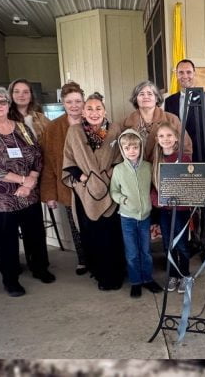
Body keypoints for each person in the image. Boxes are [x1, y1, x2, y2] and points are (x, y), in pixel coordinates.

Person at [0, 86, 55, 297]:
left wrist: (31, 181)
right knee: (5, 241)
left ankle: (39, 268)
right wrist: (23, 180)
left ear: (9, 104)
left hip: (28, 195)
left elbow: (37, 154)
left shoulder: (21, 127)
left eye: (3, 101)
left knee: (35, 234)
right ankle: (10, 279)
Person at [61, 92, 126, 291]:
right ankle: (100, 274)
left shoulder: (114, 129)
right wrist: (86, 180)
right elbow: (69, 161)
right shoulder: (75, 131)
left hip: (110, 189)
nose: (94, 112)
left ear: (104, 111)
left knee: (112, 235)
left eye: (98, 108)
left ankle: (116, 274)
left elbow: (121, 156)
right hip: (85, 191)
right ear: (83, 111)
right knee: (92, 234)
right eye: (89, 108)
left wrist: (107, 176)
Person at [40, 81, 88, 276]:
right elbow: (49, 163)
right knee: (75, 223)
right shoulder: (53, 128)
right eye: (70, 102)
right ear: (63, 103)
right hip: (68, 184)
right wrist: (49, 193)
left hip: (92, 184)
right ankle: (83, 259)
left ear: (83, 102)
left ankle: (99, 257)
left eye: (78, 101)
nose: (74, 105)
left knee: (96, 223)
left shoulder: (94, 120)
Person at [110, 129, 164, 298]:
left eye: (135, 147)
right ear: (122, 149)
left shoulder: (148, 167)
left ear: (140, 148)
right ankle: (135, 281)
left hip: (145, 217)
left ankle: (147, 279)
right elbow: (113, 191)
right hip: (127, 218)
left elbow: (154, 187)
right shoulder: (118, 170)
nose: (132, 151)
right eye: (127, 148)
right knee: (132, 252)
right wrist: (123, 200)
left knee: (146, 251)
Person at [151, 122, 192, 294]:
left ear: (176, 138)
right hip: (164, 210)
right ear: (157, 139)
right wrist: (156, 200)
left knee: (182, 244)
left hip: (181, 210)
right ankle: (173, 275)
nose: (165, 139)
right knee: (168, 244)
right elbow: (153, 187)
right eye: (161, 136)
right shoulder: (156, 160)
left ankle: (185, 275)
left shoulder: (184, 158)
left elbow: (191, 185)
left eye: (169, 135)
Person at [164, 59, 205, 163]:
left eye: (189, 72)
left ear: (194, 74)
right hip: (178, 159)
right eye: (181, 72)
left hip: (202, 158)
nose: (185, 76)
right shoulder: (169, 101)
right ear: (176, 75)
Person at [122, 80, 192, 163]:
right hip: (137, 173)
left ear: (156, 98)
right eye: (141, 94)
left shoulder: (172, 119)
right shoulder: (125, 123)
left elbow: (186, 149)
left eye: (150, 94)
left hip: (166, 172)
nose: (145, 97)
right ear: (136, 99)